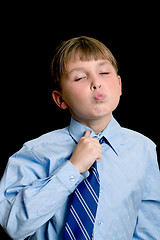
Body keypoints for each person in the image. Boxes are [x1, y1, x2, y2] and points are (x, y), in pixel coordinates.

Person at [0, 36, 159, 240]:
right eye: (79, 78)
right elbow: (14, 226)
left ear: (119, 85)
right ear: (60, 99)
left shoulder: (143, 149)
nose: (96, 83)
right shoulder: (36, 152)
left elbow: (150, 228)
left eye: (104, 72)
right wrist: (73, 168)